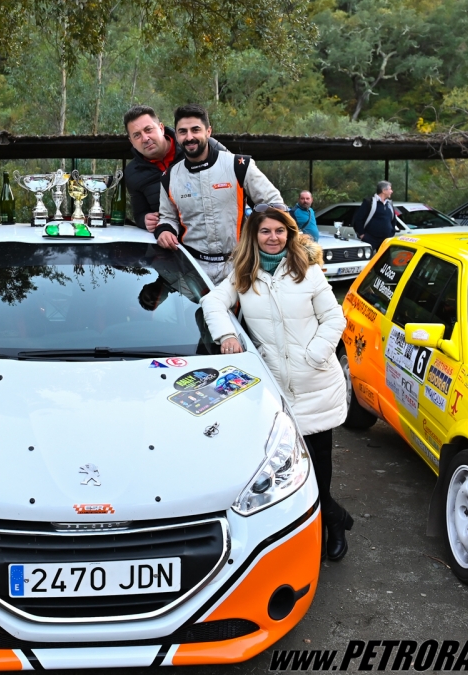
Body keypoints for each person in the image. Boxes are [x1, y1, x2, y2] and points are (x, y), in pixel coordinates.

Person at [200, 205, 351, 560]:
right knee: (283, 464)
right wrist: (226, 336)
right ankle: (331, 517)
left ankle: (328, 523)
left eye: (279, 231)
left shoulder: (308, 272)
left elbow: (334, 318)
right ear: (254, 236)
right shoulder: (243, 275)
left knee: (318, 461)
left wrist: (313, 355)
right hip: (274, 386)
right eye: (265, 231)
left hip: (315, 381)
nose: (273, 238)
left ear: (290, 234)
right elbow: (212, 303)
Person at [155, 104, 283, 283]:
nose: (189, 137)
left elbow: (274, 204)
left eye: (196, 130)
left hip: (239, 265)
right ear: (176, 136)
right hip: (193, 269)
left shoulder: (239, 165)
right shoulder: (169, 178)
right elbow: (168, 217)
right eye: (183, 131)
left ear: (208, 131)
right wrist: (165, 230)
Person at [122, 105, 220, 232]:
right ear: (131, 141)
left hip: (215, 232)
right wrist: (145, 220)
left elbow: (237, 176)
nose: (145, 138)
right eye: (137, 135)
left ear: (161, 128)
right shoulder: (132, 173)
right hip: (169, 240)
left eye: (148, 130)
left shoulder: (199, 145)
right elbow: (140, 213)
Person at [352, 181, 395, 246]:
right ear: (384, 190)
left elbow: (393, 220)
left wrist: (392, 233)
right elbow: (358, 219)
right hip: (371, 239)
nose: (392, 191)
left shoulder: (389, 204)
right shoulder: (369, 202)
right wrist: (362, 235)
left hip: (386, 240)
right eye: (390, 189)